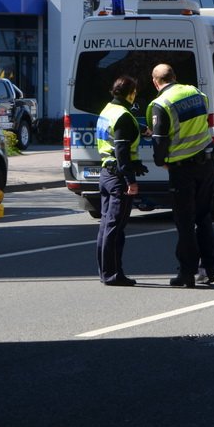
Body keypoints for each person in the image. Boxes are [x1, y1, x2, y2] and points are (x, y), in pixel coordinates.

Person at [147, 64, 214, 288]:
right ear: (175, 76)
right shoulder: (198, 94)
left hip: (182, 169)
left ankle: (187, 273)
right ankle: (209, 268)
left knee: (185, 222)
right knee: (204, 217)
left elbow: (160, 141)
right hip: (206, 164)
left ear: (155, 82)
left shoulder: (161, 103)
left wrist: (162, 162)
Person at [95, 75, 148, 286]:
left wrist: (141, 131)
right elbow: (122, 150)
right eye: (135, 92)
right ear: (131, 93)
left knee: (106, 226)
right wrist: (130, 179)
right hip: (118, 178)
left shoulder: (108, 110)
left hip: (106, 175)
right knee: (115, 228)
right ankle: (113, 274)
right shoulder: (124, 116)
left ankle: (105, 272)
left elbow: (118, 140)